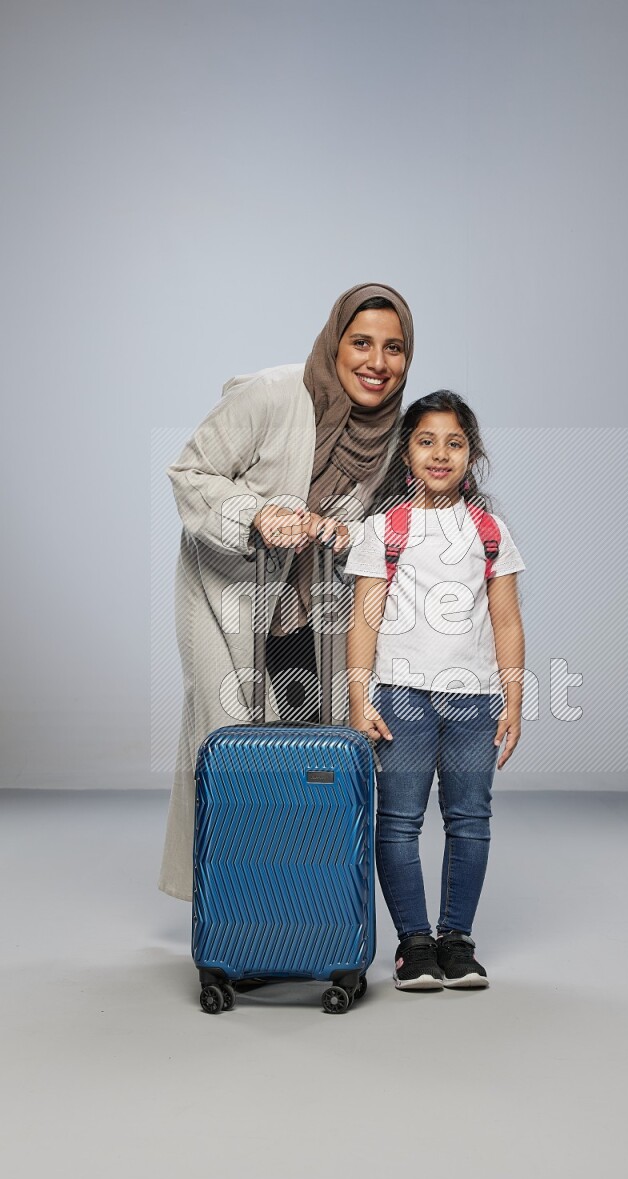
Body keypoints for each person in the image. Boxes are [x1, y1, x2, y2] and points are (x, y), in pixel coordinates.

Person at [158, 283, 414, 902]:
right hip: (227, 598)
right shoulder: (272, 395)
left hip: (315, 610)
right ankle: (228, 915)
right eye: (361, 343)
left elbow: (389, 527)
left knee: (309, 756)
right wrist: (255, 514)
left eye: (394, 348)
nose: (377, 363)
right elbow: (189, 472)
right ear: (335, 342)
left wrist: (346, 532)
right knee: (229, 744)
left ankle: (293, 914)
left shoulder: (393, 435)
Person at [344, 391, 525, 990]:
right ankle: (413, 945)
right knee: (398, 821)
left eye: (454, 442)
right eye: (426, 441)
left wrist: (514, 700)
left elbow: (505, 621)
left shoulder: (489, 530)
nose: (440, 453)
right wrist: (358, 697)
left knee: (470, 818)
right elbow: (364, 619)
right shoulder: (383, 529)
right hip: (400, 697)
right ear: (407, 452)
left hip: (472, 701)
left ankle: (457, 941)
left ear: (471, 454)